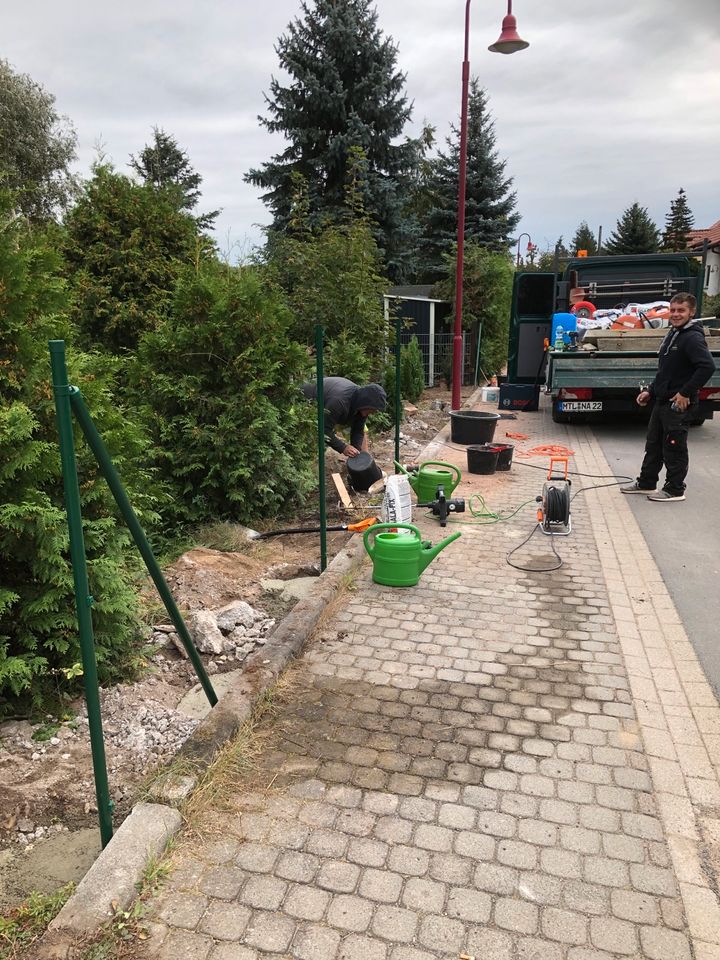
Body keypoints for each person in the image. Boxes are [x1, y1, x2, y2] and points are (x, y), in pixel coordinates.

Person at [622, 292, 715, 502]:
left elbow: (707, 367)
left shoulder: (692, 337)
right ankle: (646, 483)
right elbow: (666, 371)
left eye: (681, 310)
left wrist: (685, 393)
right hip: (662, 400)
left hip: (677, 404)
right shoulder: (674, 333)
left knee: (674, 447)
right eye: (672, 310)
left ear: (692, 312)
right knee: (653, 444)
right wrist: (650, 391)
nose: (675, 314)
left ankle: (675, 489)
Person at [301, 377, 387, 457]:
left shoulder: (359, 403)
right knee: (304, 442)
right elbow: (323, 429)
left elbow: (358, 430)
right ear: (366, 403)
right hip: (302, 400)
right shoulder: (339, 402)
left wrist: (356, 450)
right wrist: (343, 448)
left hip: (322, 404)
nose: (372, 413)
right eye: (372, 410)